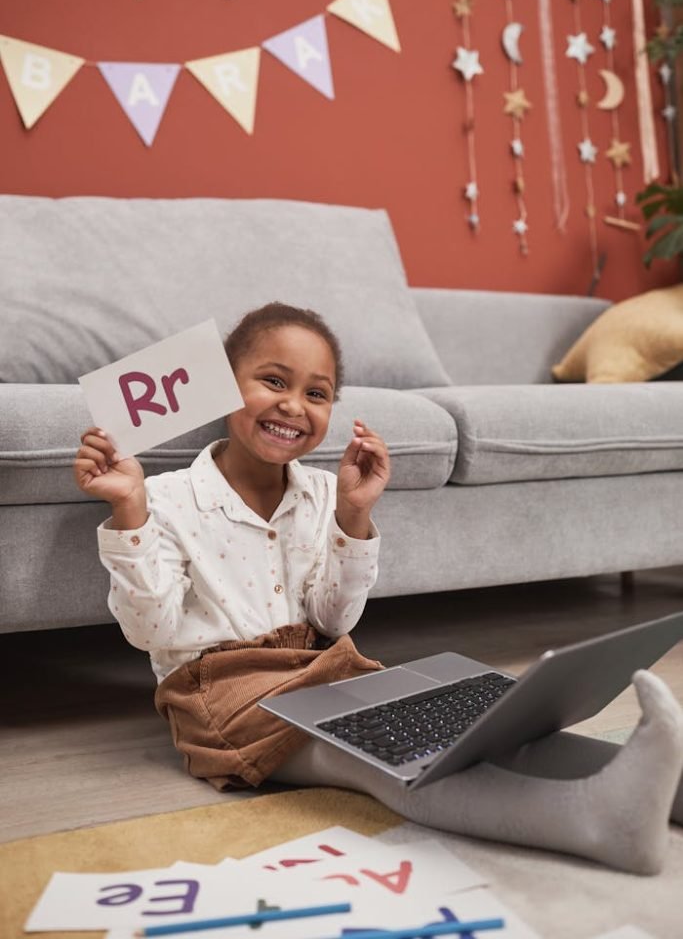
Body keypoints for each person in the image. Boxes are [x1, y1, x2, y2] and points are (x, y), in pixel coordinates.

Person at [74, 302, 683, 876]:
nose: (293, 406)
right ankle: (598, 822)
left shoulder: (318, 493)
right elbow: (148, 631)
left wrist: (352, 517)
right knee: (384, 760)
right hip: (222, 693)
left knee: (464, 726)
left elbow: (333, 621)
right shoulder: (168, 499)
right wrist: (129, 509)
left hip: (323, 667)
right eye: (273, 382)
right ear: (226, 387)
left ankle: (666, 783)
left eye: (316, 393)